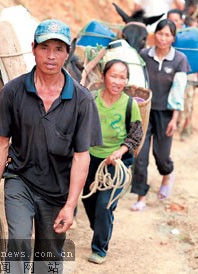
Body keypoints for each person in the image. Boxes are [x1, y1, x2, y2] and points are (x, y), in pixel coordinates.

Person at [0, 19, 103, 274]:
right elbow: (1, 143)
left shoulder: (82, 100)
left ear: (68, 54)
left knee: (47, 262)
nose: (51, 56)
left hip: (58, 191)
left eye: (59, 49)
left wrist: (70, 206)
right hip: (20, 179)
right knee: (18, 248)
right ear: (33, 48)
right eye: (45, 47)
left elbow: (82, 158)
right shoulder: (13, 92)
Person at [82, 60, 143, 264]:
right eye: (113, 75)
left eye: (122, 77)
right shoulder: (91, 100)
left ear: (126, 81)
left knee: (104, 204)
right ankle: (101, 227)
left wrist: (119, 152)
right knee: (88, 200)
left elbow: (136, 134)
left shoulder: (129, 104)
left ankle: (99, 248)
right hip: (90, 158)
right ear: (103, 77)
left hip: (117, 162)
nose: (117, 81)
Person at [130, 19, 190, 211]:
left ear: (173, 38)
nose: (163, 38)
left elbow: (179, 91)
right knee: (140, 156)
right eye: (160, 34)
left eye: (167, 35)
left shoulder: (179, 60)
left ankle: (167, 174)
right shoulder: (144, 55)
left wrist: (175, 118)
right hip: (144, 112)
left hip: (165, 113)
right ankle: (141, 196)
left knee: (161, 155)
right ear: (154, 35)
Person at [167, 9, 196, 140]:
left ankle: (186, 127)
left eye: (176, 20)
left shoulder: (188, 34)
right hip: (169, 70)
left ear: (181, 21)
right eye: (170, 19)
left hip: (187, 72)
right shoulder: (164, 33)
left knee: (187, 98)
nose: (173, 22)